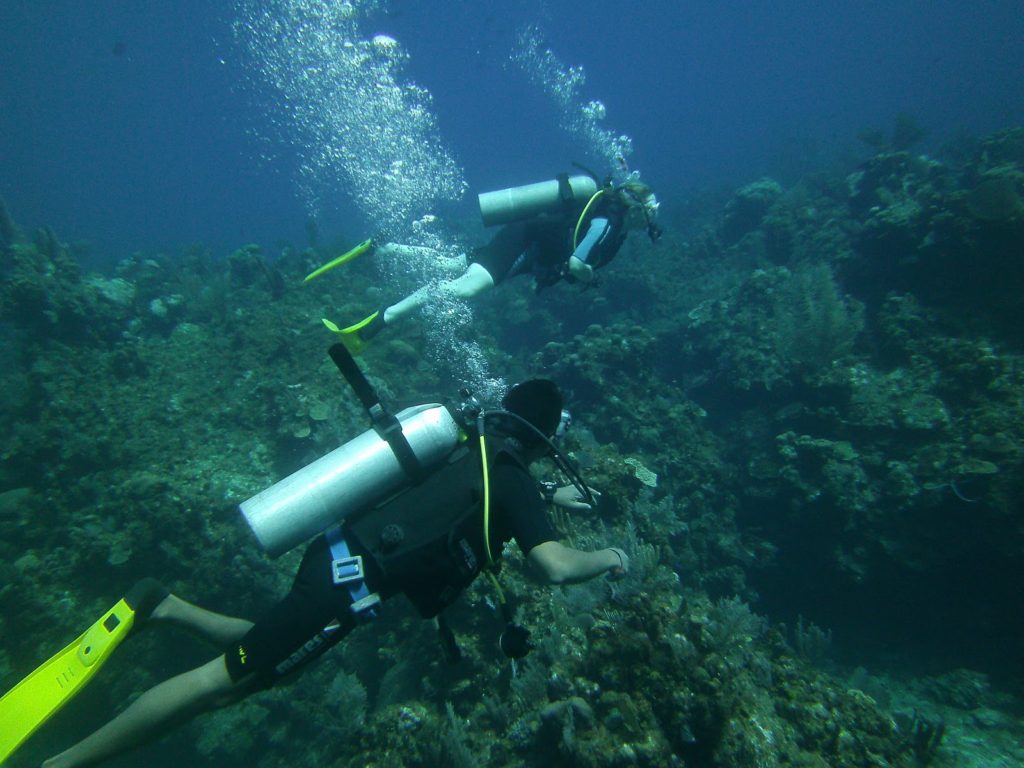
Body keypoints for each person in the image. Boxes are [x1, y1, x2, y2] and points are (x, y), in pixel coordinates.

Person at [39, 378, 630, 768]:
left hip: (337, 564)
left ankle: (162, 605)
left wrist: (549, 495)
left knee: (265, 663)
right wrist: (610, 558)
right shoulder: (511, 476)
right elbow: (550, 565)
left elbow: (474, 496)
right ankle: (62, 765)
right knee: (223, 685)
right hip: (346, 586)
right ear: (543, 438)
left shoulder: (472, 444)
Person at [331, 177, 660, 347]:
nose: (650, 221)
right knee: (462, 290)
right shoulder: (610, 223)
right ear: (636, 208)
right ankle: (372, 326)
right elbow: (576, 263)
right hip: (523, 245)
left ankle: (382, 249)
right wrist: (589, 278)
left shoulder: (608, 217)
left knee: (449, 264)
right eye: (650, 212)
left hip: (520, 237)